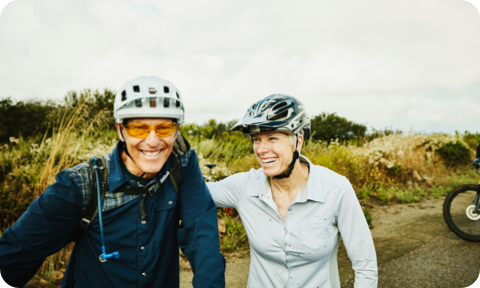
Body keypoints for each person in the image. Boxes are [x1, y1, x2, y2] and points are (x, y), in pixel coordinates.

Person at [0, 76, 225, 287]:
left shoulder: (182, 166)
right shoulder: (80, 185)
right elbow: (16, 253)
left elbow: (203, 240)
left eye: (164, 127)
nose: (153, 141)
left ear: (176, 131)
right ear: (120, 130)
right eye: (139, 128)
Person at [206, 94, 378, 287]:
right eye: (256, 139)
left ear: (298, 141)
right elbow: (189, 194)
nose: (261, 149)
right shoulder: (243, 186)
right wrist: (179, 155)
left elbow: (365, 264)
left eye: (272, 138)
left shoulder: (335, 189)